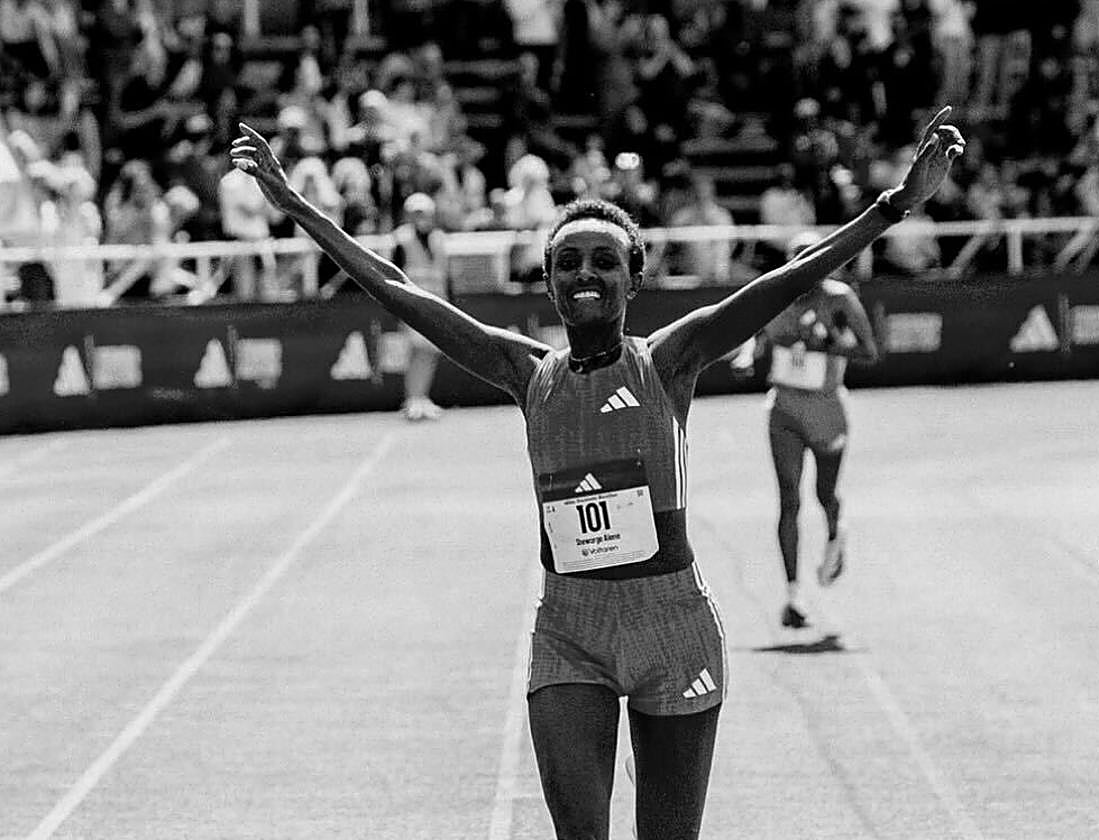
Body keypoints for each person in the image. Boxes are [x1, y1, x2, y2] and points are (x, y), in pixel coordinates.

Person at [230, 107, 963, 840]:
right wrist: (295, 205)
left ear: (633, 279)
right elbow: (396, 287)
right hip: (568, 631)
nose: (586, 272)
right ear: (547, 281)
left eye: (604, 260)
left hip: (673, 628)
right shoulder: (524, 372)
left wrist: (897, 204)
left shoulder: (672, 360)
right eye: (568, 261)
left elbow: (792, 275)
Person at [731, 269, 880, 628]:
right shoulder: (775, 295)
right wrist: (748, 357)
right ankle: (793, 595)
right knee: (788, 498)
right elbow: (758, 335)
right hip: (784, 410)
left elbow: (869, 352)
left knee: (824, 494)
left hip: (826, 411)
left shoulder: (840, 299)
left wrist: (828, 343)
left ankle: (835, 533)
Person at [392, 191, 449, 420]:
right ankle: (412, 399)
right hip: (413, 305)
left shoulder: (439, 238)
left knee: (431, 353)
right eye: (416, 213)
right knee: (417, 352)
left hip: (436, 305)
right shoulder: (402, 239)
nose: (421, 218)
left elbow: (446, 275)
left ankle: (422, 397)